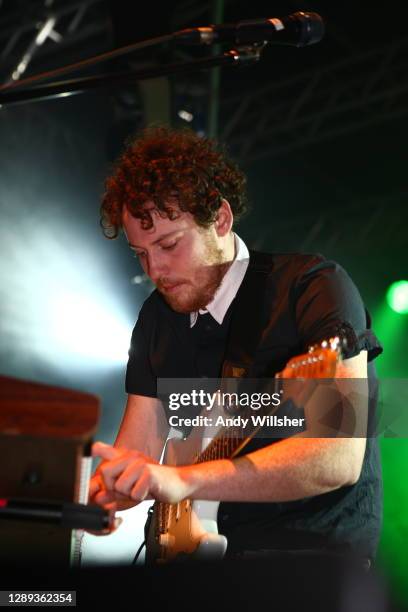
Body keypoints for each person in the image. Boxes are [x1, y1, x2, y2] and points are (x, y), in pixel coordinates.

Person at [89, 126, 383, 563]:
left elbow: (337, 457)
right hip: (195, 567)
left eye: (169, 245)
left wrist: (188, 480)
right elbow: (138, 455)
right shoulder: (156, 319)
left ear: (221, 220)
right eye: (141, 253)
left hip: (306, 564)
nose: (156, 269)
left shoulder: (311, 287)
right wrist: (107, 488)